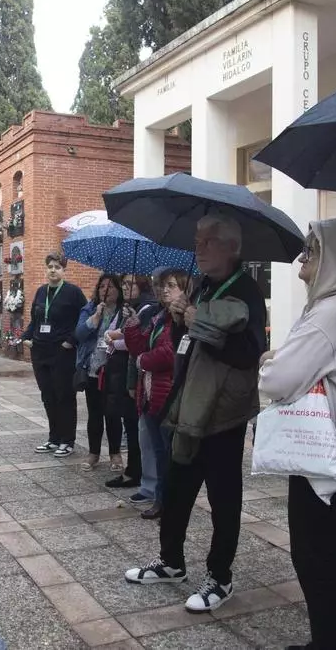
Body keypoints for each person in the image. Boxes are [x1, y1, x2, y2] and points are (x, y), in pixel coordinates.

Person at [124, 214, 266, 613]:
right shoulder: (202, 284)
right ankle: (171, 562)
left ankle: (220, 578)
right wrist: (177, 318)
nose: (198, 249)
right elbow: (183, 343)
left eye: (208, 242)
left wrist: (195, 318)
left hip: (223, 411)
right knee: (177, 486)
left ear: (231, 248)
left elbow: (246, 354)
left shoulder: (247, 293)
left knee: (223, 497)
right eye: (198, 241)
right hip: (188, 405)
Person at [259, 218, 336, 650]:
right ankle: (332, 640)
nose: (302, 258)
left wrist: (270, 360)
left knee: (314, 551)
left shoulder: (333, 311)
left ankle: (332, 643)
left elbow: (278, 380)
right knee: (320, 546)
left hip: (329, 449)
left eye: (311, 251)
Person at [121, 269, 186, 521]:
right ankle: (161, 499)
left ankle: (167, 501)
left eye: (171, 285)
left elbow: (170, 354)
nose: (164, 290)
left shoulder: (180, 320)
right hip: (149, 396)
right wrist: (133, 326)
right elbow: (139, 346)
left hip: (166, 396)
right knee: (159, 453)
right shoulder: (160, 316)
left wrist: (142, 361)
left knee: (168, 454)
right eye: (161, 285)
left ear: (185, 289)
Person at [22, 253, 88, 458]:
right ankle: (54, 438)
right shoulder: (41, 292)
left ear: (64, 269)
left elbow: (83, 320)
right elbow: (35, 319)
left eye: (57, 267)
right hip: (40, 350)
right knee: (48, 396)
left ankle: (67, 441)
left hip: (62, 352)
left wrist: (71, 340)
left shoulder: (73, 293)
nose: (53, 270)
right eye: (50, 266)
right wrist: (26, 336)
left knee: (64, 396)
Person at [104, 274, 153, 489]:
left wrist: (116, 338)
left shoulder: (146, 307)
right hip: (121, 372)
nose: (126, 287)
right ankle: (133, 470)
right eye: (123, 284)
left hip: (134, 374)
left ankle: (136, 472)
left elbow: (134, 343)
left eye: (131, 283)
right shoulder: (129, 306)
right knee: (129, 424)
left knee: (135, 428)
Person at [75, 274, 126, 471]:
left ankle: (115, 455)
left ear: (119, 290)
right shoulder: (89, 308)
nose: (106, 290)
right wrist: (95, 317)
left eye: (111, 286)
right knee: (94, 414)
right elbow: (79, 334)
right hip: (93, 370)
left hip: (114, 370)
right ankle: (93, 453)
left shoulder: (123, 311)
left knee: (113, 414)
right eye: (102, 286)